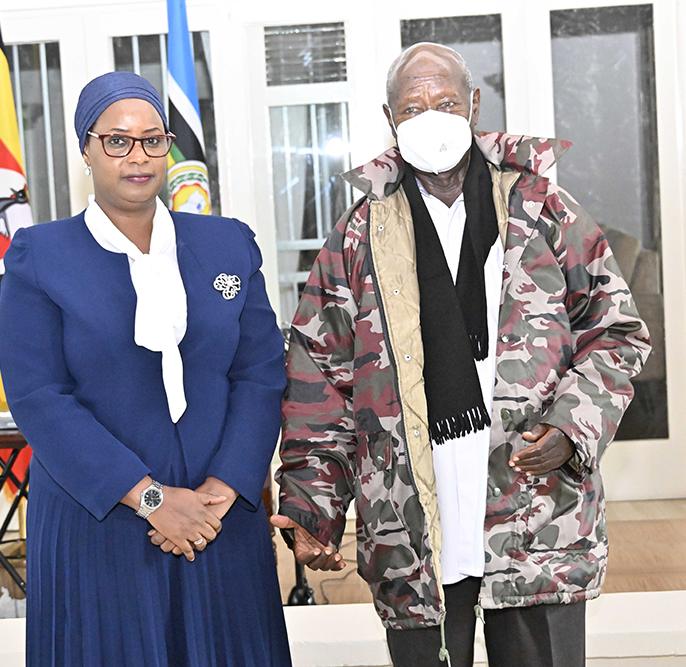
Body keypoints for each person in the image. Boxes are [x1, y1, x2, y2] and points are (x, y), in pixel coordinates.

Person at [273, 43, 651, 667]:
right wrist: (313, 506)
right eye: (412, 107)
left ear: (474, 105)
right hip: (411, 529)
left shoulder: (542, 210)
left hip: (533, 515)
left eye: (445, 102)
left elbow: (616, 332)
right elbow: (320, 377)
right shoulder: (357, 236)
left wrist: (570, 427)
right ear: (389, 118)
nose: (430, 118)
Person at [0, 71, 291, 667]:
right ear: (86, 149)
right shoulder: (40, 255)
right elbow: (38, 397)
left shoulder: (228, 244)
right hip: (100, 516)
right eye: (117, 140)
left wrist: (222, 489)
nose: (138, 156)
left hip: (218, 516)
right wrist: (151, 498)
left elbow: (260, 374)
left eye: (153, 139)